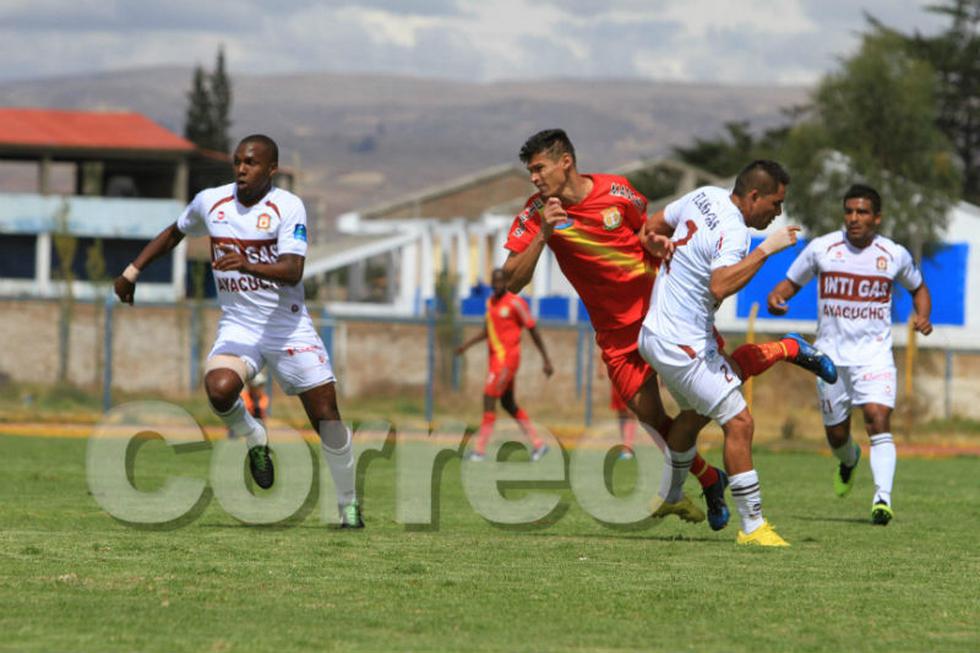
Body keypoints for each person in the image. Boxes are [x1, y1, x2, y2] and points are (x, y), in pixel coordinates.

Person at [113, 134, 363, 528]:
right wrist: (132, 271)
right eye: (238, 162)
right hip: (239, 325)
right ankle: (254, 436)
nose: (242, 169)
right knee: (219, 388)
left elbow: (293, 270)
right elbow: (175, 231)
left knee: (327, 419)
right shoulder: (211, 202)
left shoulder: (288, 206)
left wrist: (246, 264)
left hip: (287, 327)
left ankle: (348, 504)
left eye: (251, 163)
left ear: (271, 169)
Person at [503, 128, 730, 529]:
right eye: (531, 172)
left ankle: (786, 352)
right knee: (653, 421)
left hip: (662, 315)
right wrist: (543, 233)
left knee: (714, 394)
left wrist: (658, 246)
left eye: (539, 168)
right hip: (615, 335)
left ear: (565, 162)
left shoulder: (618, 191)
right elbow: (511, 281)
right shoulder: (535, 212)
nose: (534, 178)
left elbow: (648, 229)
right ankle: (710, 478)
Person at [637, 160, 838, 547]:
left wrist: (655, 243)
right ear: (754, 196)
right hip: (683, 346)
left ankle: (669, 495)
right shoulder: (734, 230)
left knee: (692, 418)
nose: (778, 212)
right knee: (740, 423)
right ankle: (754, 526)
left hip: (654, 335)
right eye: (776, 203)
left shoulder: (704, 196)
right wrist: (766, 250)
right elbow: (720, 285)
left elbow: (653, 224)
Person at [767, 183, 932, 526]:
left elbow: (918, 288)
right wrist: (776, 298)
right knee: (837, 436)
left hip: (875, 356)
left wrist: (923, 315)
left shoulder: (893, 254)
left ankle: (882, 499)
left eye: (862, 212)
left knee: (877, 418)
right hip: (829, 358)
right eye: (849, 211)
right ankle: (849, 460)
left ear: (877, 218)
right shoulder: (822, 248)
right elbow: (790, 283)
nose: (854, 218)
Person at [455, 268, 555, 461]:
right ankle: (538, 444)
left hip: (507, 360)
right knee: (508, 404)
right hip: (495, 361)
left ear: (507, 282)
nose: (497, 285)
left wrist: (546, 359)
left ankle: (479, 450)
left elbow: (533, 329)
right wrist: (466, 346)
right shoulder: (490, 303)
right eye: (494, 281)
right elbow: (487, 331)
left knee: (488, 397)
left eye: (500, 281)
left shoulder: (516, 303)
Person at [227, 371, 270, 439]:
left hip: (254, 423)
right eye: (258, 386)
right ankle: (233, 440)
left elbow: (262, 416)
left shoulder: (264, 398)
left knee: (260, 424)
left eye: (261, 386)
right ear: (251, 386)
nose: (260, 389)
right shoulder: (243, 396)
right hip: (241, 423)